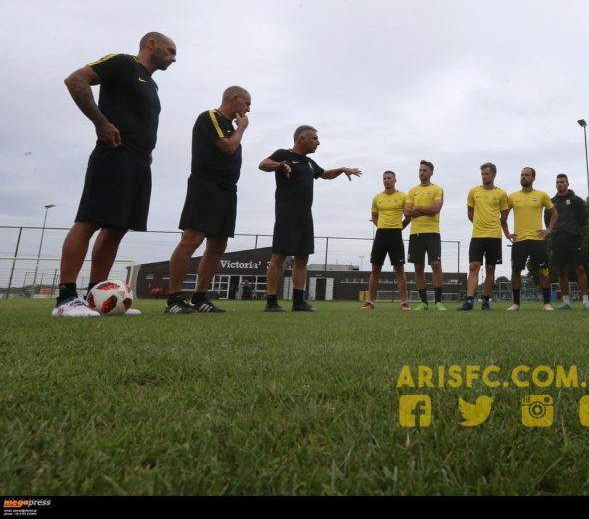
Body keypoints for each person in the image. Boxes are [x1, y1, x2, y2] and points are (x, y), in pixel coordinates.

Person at [53, 32, 177, 318]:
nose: (173, 58)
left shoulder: (152, 84)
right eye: (170, 51)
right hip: (113, 154)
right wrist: (101, 124)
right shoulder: (122, 63)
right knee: (89, 221)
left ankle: (95, 296)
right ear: (151, 45)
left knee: (116, 228)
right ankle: (65, 298)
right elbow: (75, 80)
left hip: (138, 162)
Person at [164, 86, 251, 315]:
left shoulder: (231, 126)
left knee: (218, 244)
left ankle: (200, 297)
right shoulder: (210, 117)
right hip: (206, 185)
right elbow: (227, 147)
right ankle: (173, 298)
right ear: (235, 99)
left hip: (227, 190)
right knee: (192, 239)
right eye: (247, 103)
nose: (248, 109)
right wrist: (241, 129)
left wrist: (237, 129)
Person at [259, 126, 361, 313]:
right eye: (314, 138)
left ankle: (299, 302)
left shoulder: (309, 162)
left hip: (305, 216)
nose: (318, 142)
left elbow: (325, 175)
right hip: (286, 214)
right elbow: (263, 164)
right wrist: (281, 165)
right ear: (302, 139)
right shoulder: (283, 154)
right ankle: (271, 302)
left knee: (302, 257)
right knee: (279, 256)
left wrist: (342, 169)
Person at [504, 167, 557, 311]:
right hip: (519, 240)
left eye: (527, 175)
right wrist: (507, 233)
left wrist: (549, 230)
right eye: (522, 175)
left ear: (533, 178)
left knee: (543, 271)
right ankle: (516, 303)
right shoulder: (512, 197)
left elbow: (554, 214)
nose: (523, 177)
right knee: (515, 271)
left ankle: (547, 303)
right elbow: (503, 216)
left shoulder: (542, 195)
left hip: (537, 240)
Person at [459, 162, 509, 311]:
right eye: (482, 174)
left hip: (494, 236)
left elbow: (504, 215)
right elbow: (470, 212)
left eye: (486, 173)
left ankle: (486, 301)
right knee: (474, 266)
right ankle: (469, 301)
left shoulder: (501, 194)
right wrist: (479, 223)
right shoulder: (473, 191)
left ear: (493, 174)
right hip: (477, 236)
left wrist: (493, 224)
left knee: (490, 268)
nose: (484, 176)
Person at [362, 170, 410, 311]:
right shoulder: (377, 198)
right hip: (381, 235)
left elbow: (408, 217)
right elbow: (374, 216)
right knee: (375, 269)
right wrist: (382, 226)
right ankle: (370, 302)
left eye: (389, 178)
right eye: (384, 178)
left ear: (395, 180)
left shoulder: (403, 196)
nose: (387, 180)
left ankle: (403, 303)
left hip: (396, 234)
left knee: (399, 270)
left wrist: (399, 227)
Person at [404, 160, 445, 311]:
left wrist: (418, 208)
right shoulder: (412, 191)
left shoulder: (437, 189)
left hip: (432, 232)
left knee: (435, 264)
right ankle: (424, 303)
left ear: (431, 172)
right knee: (418, 267)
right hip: (416, 233)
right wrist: (423, 210)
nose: (422, 172)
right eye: (420, 170)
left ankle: (438, 302)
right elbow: (407, 211)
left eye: (425, 170)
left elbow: (436, 208)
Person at [548, 174, 589, 310]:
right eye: (557, 182)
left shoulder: (576, 200)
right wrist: (555, 231)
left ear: (567, 184)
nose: (560, 184)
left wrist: (572, 230)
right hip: (557, 240)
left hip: (574, 240)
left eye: (562, 182)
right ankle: (566, 301)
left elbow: (583, 219)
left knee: (580, 269)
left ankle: (585, 301)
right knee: (562, 271)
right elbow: (547, 220)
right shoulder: (551, 202)